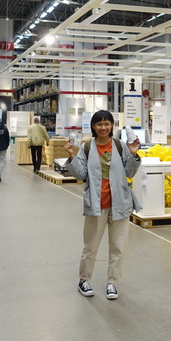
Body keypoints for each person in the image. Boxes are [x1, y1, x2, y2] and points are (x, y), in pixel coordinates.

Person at [65, 110, 141, 300]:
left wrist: (133, 154)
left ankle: (112, 283)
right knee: (90, 246)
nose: (103, 127)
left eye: (107, 123)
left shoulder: (120, 146)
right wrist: (72, 156)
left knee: (118, 247)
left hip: (120, 204)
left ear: (112, 125)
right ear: (93, 126)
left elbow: (130, 172)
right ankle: (84, 280)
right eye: (99, 124)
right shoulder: (87, 147)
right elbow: (81, 174)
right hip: (96, 205)